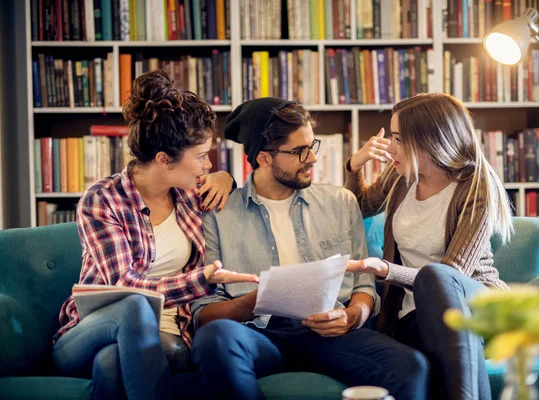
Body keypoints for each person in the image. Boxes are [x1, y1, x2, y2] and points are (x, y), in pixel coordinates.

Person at [189, 97, 430, 400]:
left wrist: (353, 315)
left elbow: (364, 283)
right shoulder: (218, 213)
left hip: (330, 334)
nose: (313, 159)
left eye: (311, 146)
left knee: (410, 365)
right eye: (300, 151)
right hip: (258, 333)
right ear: (264, 158)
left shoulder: (340, 202)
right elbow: (203, 312)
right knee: (215, 339)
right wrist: (254, 301)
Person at [52, 70, 259, 400]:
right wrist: (200, 280)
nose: (208, 165)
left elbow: (237, 194)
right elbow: (124, 286)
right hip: (92, 329)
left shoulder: (191, 194)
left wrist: (226, 178)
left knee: (109, 366)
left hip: (169, 331)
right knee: (134, 306)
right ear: (164, 160)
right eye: (202, 156)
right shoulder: (102, 199)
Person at [344, 92, 513, 400]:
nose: (390, 147)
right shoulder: (402, 176)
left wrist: (386, 269)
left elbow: (451, 276)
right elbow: (358, 206)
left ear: (430, 140)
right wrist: (354, 164)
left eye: (398, 137)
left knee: (437, 278)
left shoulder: (475, 187)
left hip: (474, 303)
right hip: (413, 315)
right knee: (413, 355)